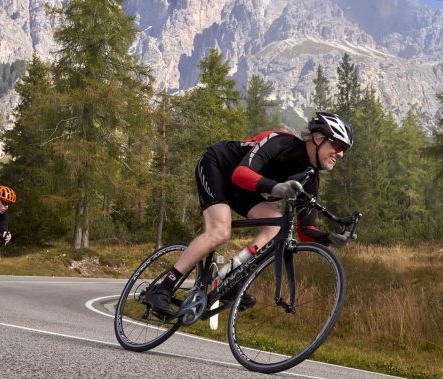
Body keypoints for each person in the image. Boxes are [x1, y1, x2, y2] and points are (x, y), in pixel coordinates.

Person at [145, 112, 356, 316]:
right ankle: (162, 288)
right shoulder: (280, 142)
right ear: (318, 138)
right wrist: (275, 187)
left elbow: (305, 231)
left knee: (276, 226)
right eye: (337, 146)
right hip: (218, 166)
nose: (341, 154)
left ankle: (229, 278)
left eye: (344, 149)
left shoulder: (310, 178)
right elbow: (240, 173)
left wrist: (328, 238)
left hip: (244, 188)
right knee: (219, 231)